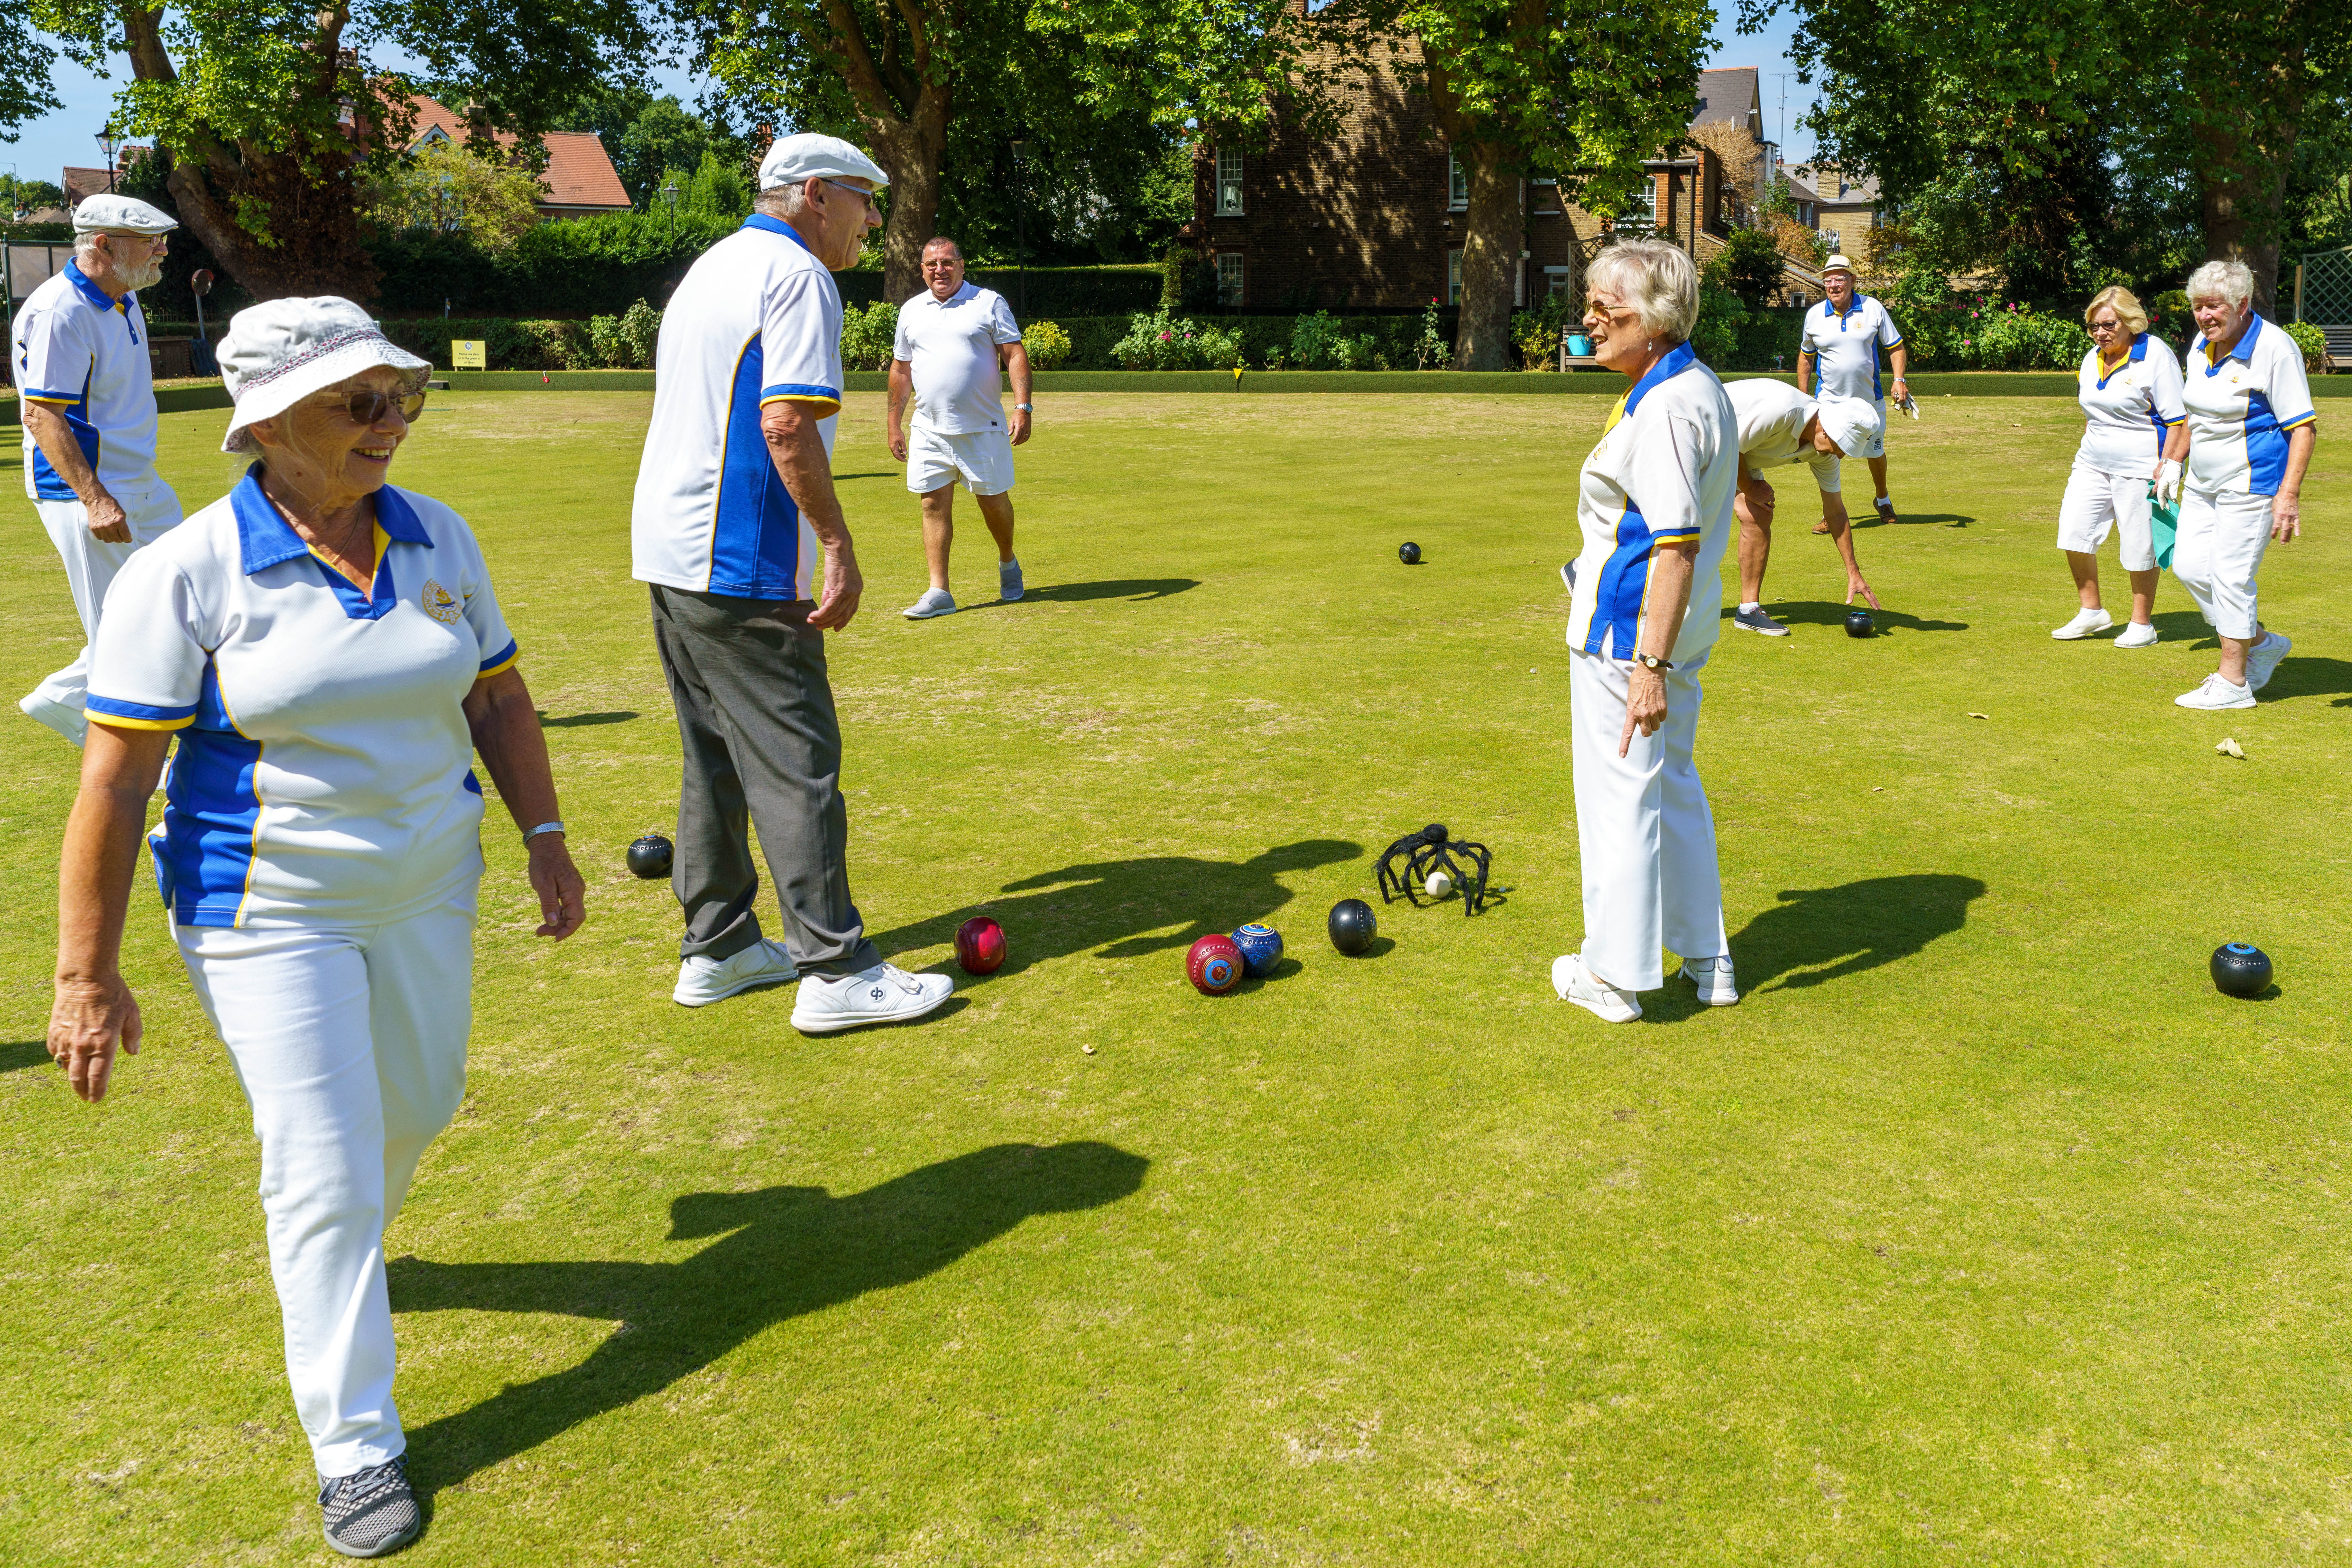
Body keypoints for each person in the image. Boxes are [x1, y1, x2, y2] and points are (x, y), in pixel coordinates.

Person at [46, 297, 587, 1557]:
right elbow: (117, 781)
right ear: (267, 423)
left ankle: (324, 1228)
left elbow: (499, 695)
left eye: (400, 395)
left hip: (428, 880)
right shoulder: (188, 570)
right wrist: (86, 969)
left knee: (423, 1098)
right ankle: (356, 1445)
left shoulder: (436, 533)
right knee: (327, 1168)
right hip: (264, 907)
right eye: (359, 402)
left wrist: (545, 839)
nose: (390, 422)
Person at [631, 132, 954, 1029]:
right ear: (814, 193)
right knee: (796, 756)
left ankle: (721, 944)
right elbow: (783, 427)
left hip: (668, 547)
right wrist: (838, 544)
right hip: (738, 556)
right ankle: (835, 967)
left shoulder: (712, 265)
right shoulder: (797, 275)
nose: (874, 217)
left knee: (715, 754)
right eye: (862, 197)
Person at [1552, 238, 1740, 1023]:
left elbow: (1675, 543)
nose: (1591, 320)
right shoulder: (1691, 383)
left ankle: (1615, 977)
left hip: (1630, 639)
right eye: (1592, 305)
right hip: (1671, 630)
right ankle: (1709, 959)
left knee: (1620, 798)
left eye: (1608, 309)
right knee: (1671, 788)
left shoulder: (1666, 405)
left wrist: (1647, 666)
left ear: (1655, 322)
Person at [11, 194, 185, 746]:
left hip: (142, 484)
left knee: (183, 604)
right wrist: (95, 499)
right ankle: (132, 754)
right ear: (104, 246)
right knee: (124, 634)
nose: (164, 249)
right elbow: (41, 413)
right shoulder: (60, 311)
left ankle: (63, 697)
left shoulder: (124, 297)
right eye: (150, 240)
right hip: (87, 493)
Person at [2170, 258, 2317, 710]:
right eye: (2197, 307)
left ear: (2241, 303)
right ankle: (2262, 643)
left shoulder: (2274, 348)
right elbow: (2196, 411)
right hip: (2202, 482)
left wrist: (2287, 496)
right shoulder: (2200, 343)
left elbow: (2302, 428)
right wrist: (2173, 462)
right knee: (2190, 568)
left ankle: (2232, 682)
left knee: (2230, 578)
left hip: (2251, 481)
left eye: (2212, 306)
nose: (2203, 316)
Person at [887, 236, 1034, 617]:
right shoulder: (911, 311)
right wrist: (894, 422)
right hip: (929, 429)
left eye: (948, 262)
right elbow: (901, 369)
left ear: (962, 265)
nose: (940, 269)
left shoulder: (988, 302)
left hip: (982, 427)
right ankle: (940, 591)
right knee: (932, 503)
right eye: (932, 264)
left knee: (993, 503)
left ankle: (1007, 561)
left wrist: (1023, 407)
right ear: (922, 270)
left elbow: (1014, 353)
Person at [2051, 286, 2187, 646]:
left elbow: (2179, 419)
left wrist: (2171, 464)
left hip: (2143, 464)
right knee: (2074, 531)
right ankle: (2092, 612)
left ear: (2130, 322)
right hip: (2092, 462)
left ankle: (2142, 625)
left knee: (2139, 544)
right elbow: (2092, 415)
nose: (2101, 333)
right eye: (2094, 327)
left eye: (2108, 325)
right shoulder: (2090, 358)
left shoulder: (2156, 355)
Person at [1723, 379, 1885, 635]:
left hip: (1739, 450)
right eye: (1843, 447)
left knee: (1758, 513)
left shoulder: (1825, 453)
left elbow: (1835, 512)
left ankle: (1748, 611)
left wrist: (1853, 571)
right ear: (1825, 432)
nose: (1841, 455)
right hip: (1697, 434)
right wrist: (1752, 489)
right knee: (1688, 521)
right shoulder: (1780, 411)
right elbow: (1728, 446)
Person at [1797, 254, 1909, 528]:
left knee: (1875, 453)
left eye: (1840, 279)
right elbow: (1805, 357)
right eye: (1828, 280)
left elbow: (1895, 347)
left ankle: (1882, 499)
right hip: (1829, 402)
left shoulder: (1873, 308)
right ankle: (1831, 513)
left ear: (1852, 281)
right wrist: (1802, 396)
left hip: (1869, 400)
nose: (1834, 285)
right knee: (1828, 454)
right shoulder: (1813, 316)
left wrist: (1899, 380)